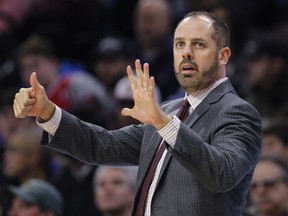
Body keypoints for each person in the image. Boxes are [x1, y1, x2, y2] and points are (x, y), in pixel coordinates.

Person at [13, 11, 262, 215]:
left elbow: (222, 174)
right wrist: (48, 113)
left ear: (223, 56)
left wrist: (163, 123)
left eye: (198, 44)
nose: (186, 52)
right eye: (179, 44)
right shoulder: (168, 112)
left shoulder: (237, 112)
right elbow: (101, 145)